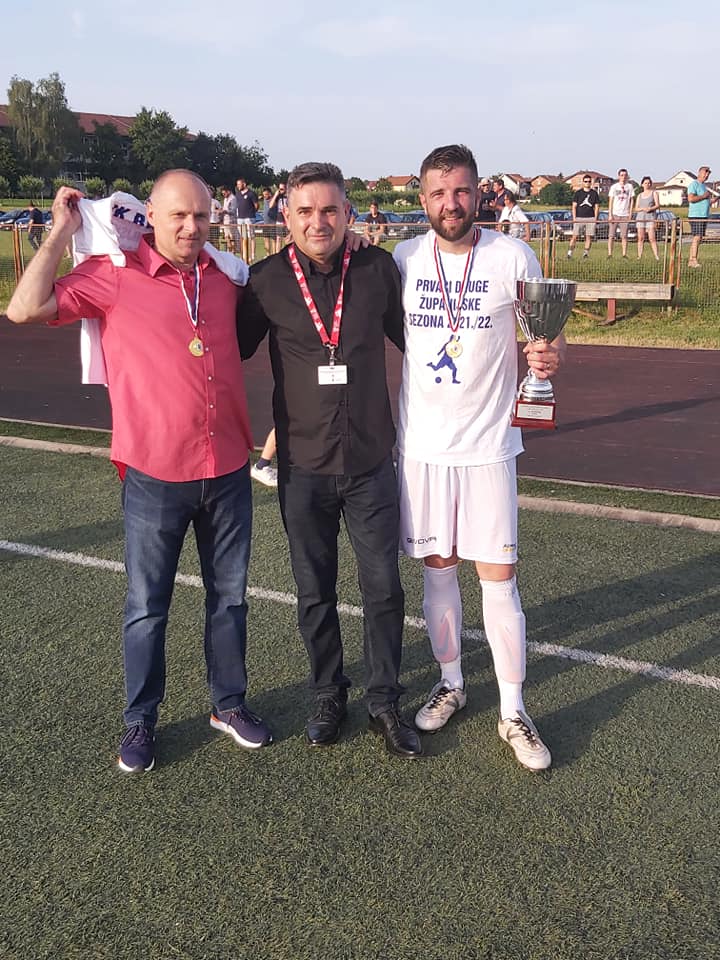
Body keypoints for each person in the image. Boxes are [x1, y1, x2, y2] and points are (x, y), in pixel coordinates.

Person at [7, 171, 272, 773]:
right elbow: (23, 308)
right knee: (147, 606)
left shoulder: (227, 277)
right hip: (154, 473)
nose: (191, 227)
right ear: (151, 214)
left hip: (228, 466)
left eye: (201, 216)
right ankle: (140, 719)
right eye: (178, 215)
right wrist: (60, 231)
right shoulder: (115, 274)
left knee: (229, 599)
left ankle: (228, 705)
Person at [238, 161, 422, 759]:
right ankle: (327, 693)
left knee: (383, 587)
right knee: (313, 589)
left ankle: (384, 700)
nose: (318, 222)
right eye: (305, 211)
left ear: (347, 213)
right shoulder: (265, 281)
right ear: (286, 216)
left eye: (329, 210)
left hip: (370, 462)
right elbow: (223, 347)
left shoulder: (377, 269)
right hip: (302, 466)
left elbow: (421, 341)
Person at [393, 144, 567, 771]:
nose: (452, 204)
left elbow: (547, 333)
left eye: (462, 191)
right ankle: (451, 683)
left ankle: (514, 710)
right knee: (438, 574)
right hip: (423, 449)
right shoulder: (403, 259)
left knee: (500, 581)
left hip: (490, 448)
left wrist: (549, 355)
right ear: (423, 199)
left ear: (479, 195)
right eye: (439, 193)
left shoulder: (510, 255)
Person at [567, 174, 600, 258]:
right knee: (574, 236)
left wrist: (595, 218)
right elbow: (574, 206)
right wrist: (574, 218)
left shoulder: (594, 193)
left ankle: (585, 253)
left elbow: (596, 207)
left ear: (591, 182)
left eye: (589, 181)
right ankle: (569, 253)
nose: (587, 183)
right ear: (583, 182)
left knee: (588, 237)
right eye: (586, 181)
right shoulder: (578, 193)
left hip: (590, 218)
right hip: (579, 217)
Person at [687, 165, 712, 268]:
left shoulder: (704, 186)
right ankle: (693, 259)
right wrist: (703, 196)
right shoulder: (694, 184)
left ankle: (691, 260)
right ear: (699, 173)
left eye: (708, 174)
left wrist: (711, 200)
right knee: (697, 237)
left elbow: (705, 201)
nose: (706, 175)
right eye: (705, 173)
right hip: (696, 215)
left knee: (698, 238)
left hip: (703, 215)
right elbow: (691, 199)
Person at [607, 168, 634, 258]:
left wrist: (630, 213)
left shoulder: (630, 187)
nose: (623, 177)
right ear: (618, 176)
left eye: (625, 175)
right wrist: (610, 214)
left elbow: (632, 200)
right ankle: (610, 254)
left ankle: (624, 254)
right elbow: (611, 201)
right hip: (615, 214)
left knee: (624, 236)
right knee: (611, 235)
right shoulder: (614, 187)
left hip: (625, 214)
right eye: (622, 175)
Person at [634, 176, 661, 261]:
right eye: (645, 183)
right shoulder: (639, 195)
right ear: (642, 184)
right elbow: (636, 208)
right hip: (640, 218)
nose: (647, 184)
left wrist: (651, 208)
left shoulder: (654, 193)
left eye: (649, 183)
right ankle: (639, 256)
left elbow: (657, 205)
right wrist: (642, 209)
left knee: (652, 238)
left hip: (650, 218)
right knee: (640, 238)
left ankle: (656, 256)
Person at [236, 177, 258, 263]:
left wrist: (251, 212)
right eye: (237, 184)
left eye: (239, 184)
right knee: (242, 237)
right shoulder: (238, 194)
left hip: (249, 218)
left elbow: (256, 205)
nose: (238, 186)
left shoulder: (251, 193)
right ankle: (244, 255)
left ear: (244, 184)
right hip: (240, 218)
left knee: (251, 236)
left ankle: (252, 255)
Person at [260, 187, 279, 259]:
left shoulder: (273, 200)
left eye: (266, 194)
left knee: (273, 240)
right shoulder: (265, 199)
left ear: (270, 194)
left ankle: (274, 255)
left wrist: (275, 195)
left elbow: (272, 205)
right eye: (264, 194)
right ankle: (268, 255)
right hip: (265, 223)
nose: (265, 196)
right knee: (266, 239)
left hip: (272, 223)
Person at [220, 185, 239, 254]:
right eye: (222, 194)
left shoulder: (233, 199)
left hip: (231, 221)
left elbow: (233, 211)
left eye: (224, 193)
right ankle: (229, 251)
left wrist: (225, 211)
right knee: (226, 236)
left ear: (228, 191)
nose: (223, 195)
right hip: (226, 221)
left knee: (232, 237)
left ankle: (233, 252)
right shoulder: (225, 199)